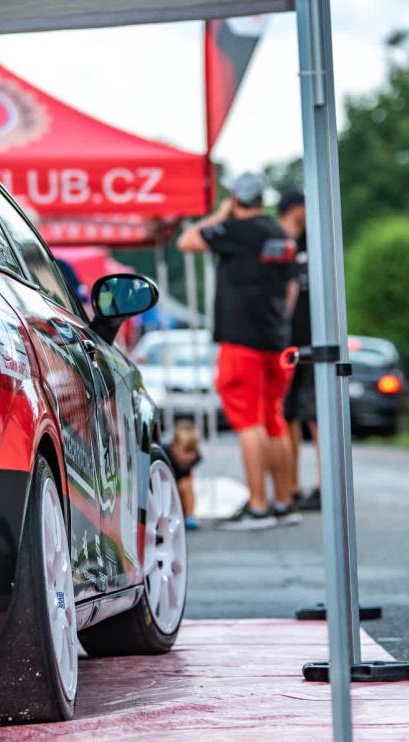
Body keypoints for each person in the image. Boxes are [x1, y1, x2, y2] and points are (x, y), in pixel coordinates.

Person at [176, 172, 301, 529]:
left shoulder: (235, 230)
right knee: (273, 418)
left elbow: (187, 241)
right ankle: (283, 502)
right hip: (277, 340)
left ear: (235, 198)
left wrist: (221, 213)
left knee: (249, 423)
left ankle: (258, 506)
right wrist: (278, 324)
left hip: (242, 341)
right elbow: (291, 288)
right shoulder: (281, 234)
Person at [278, 190, 322, 512]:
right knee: (287, 415)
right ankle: (290, 486)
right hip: (285, 343)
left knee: (317, 415)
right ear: (295, 209)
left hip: (315, 343)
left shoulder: (315, 242)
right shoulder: (276, 244)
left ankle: (324, 485)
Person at [162, 421, 202, 530]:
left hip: (179, 492)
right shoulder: (165, 454)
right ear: (174, 446)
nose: (191, 455)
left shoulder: (193, 458)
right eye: (187, 450)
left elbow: (189, 477)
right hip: (165, 489)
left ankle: (190, 515)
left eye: (194, 450)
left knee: (187, 484)